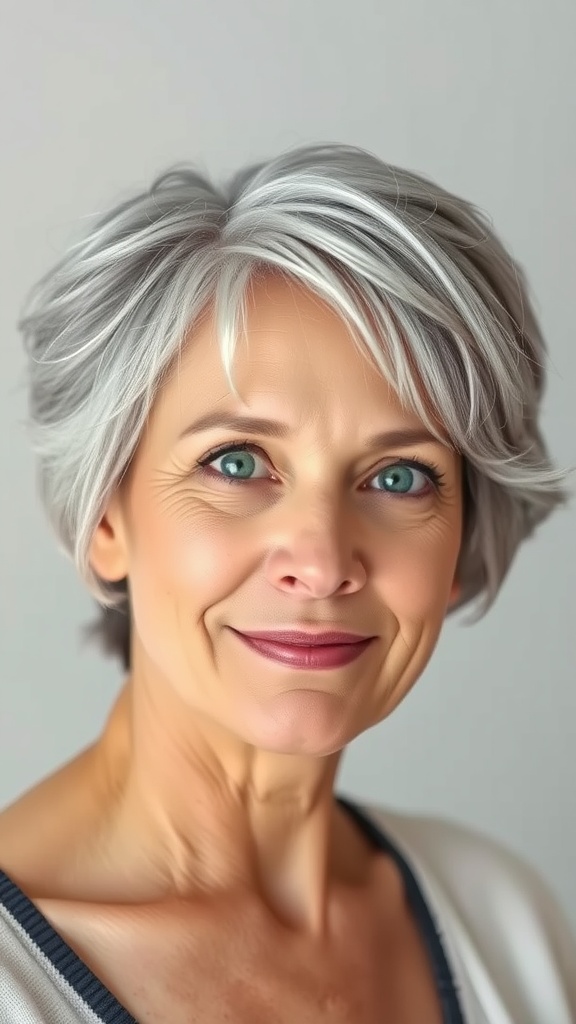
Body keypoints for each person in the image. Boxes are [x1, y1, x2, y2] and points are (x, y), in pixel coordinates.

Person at [0, 143, 574, 1024]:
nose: (324, 559)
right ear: (106, 516)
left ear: (461, 547)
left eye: (399, 477)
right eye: (237, 462)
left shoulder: (509, 927)